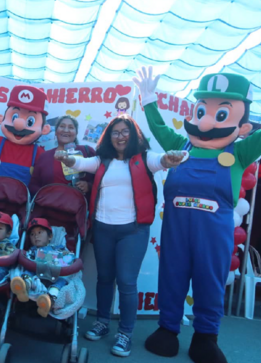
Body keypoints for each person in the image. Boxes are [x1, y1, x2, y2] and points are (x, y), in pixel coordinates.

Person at [134, 57, 261, 363]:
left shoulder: (241, 151)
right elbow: (158, 126)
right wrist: (148, 100)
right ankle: (168, 328)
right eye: (201, 111)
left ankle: (206, 336)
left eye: (220, 113)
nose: (204, 122)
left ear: (242, 126)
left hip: (214, 235)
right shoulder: (180, 146)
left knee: (210, 282)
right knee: (171, 277)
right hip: (176, 231)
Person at [55, 114, 184, 357]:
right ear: (109, 136)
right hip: (103, 227)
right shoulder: (102, 160)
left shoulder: (145, 158)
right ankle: (102, 322)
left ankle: (125, 333)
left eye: (125, 131)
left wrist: (170, 158)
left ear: (134, 134)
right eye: (115, 132)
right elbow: (80, 163)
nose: (120, 136)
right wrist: (66, 157)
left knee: (126, 282)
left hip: (133, 231)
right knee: (104, 278)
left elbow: (163, 160)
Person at [11, 218, 76, 318]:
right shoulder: (32, 250)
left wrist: (67, 258)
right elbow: (26, 260)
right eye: (32, 234)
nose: (36, 236)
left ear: (50, 236)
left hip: (54, 274)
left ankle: (49, 299)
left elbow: (68, 258)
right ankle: (25, 287)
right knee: (27, 271)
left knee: (63, 280)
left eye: (40, 232)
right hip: (37, 273)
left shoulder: (58, 248)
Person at [28, 115, 95, 197]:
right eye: (62, 126)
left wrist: (89, 186)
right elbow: (33, 185)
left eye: (71, 127)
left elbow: (102, 177)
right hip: (47, 207)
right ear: (56, 132)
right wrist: (45, 194)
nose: (66, 130)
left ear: (76, 133)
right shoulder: (44, 157)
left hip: (77, 208)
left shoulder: (87, 151)